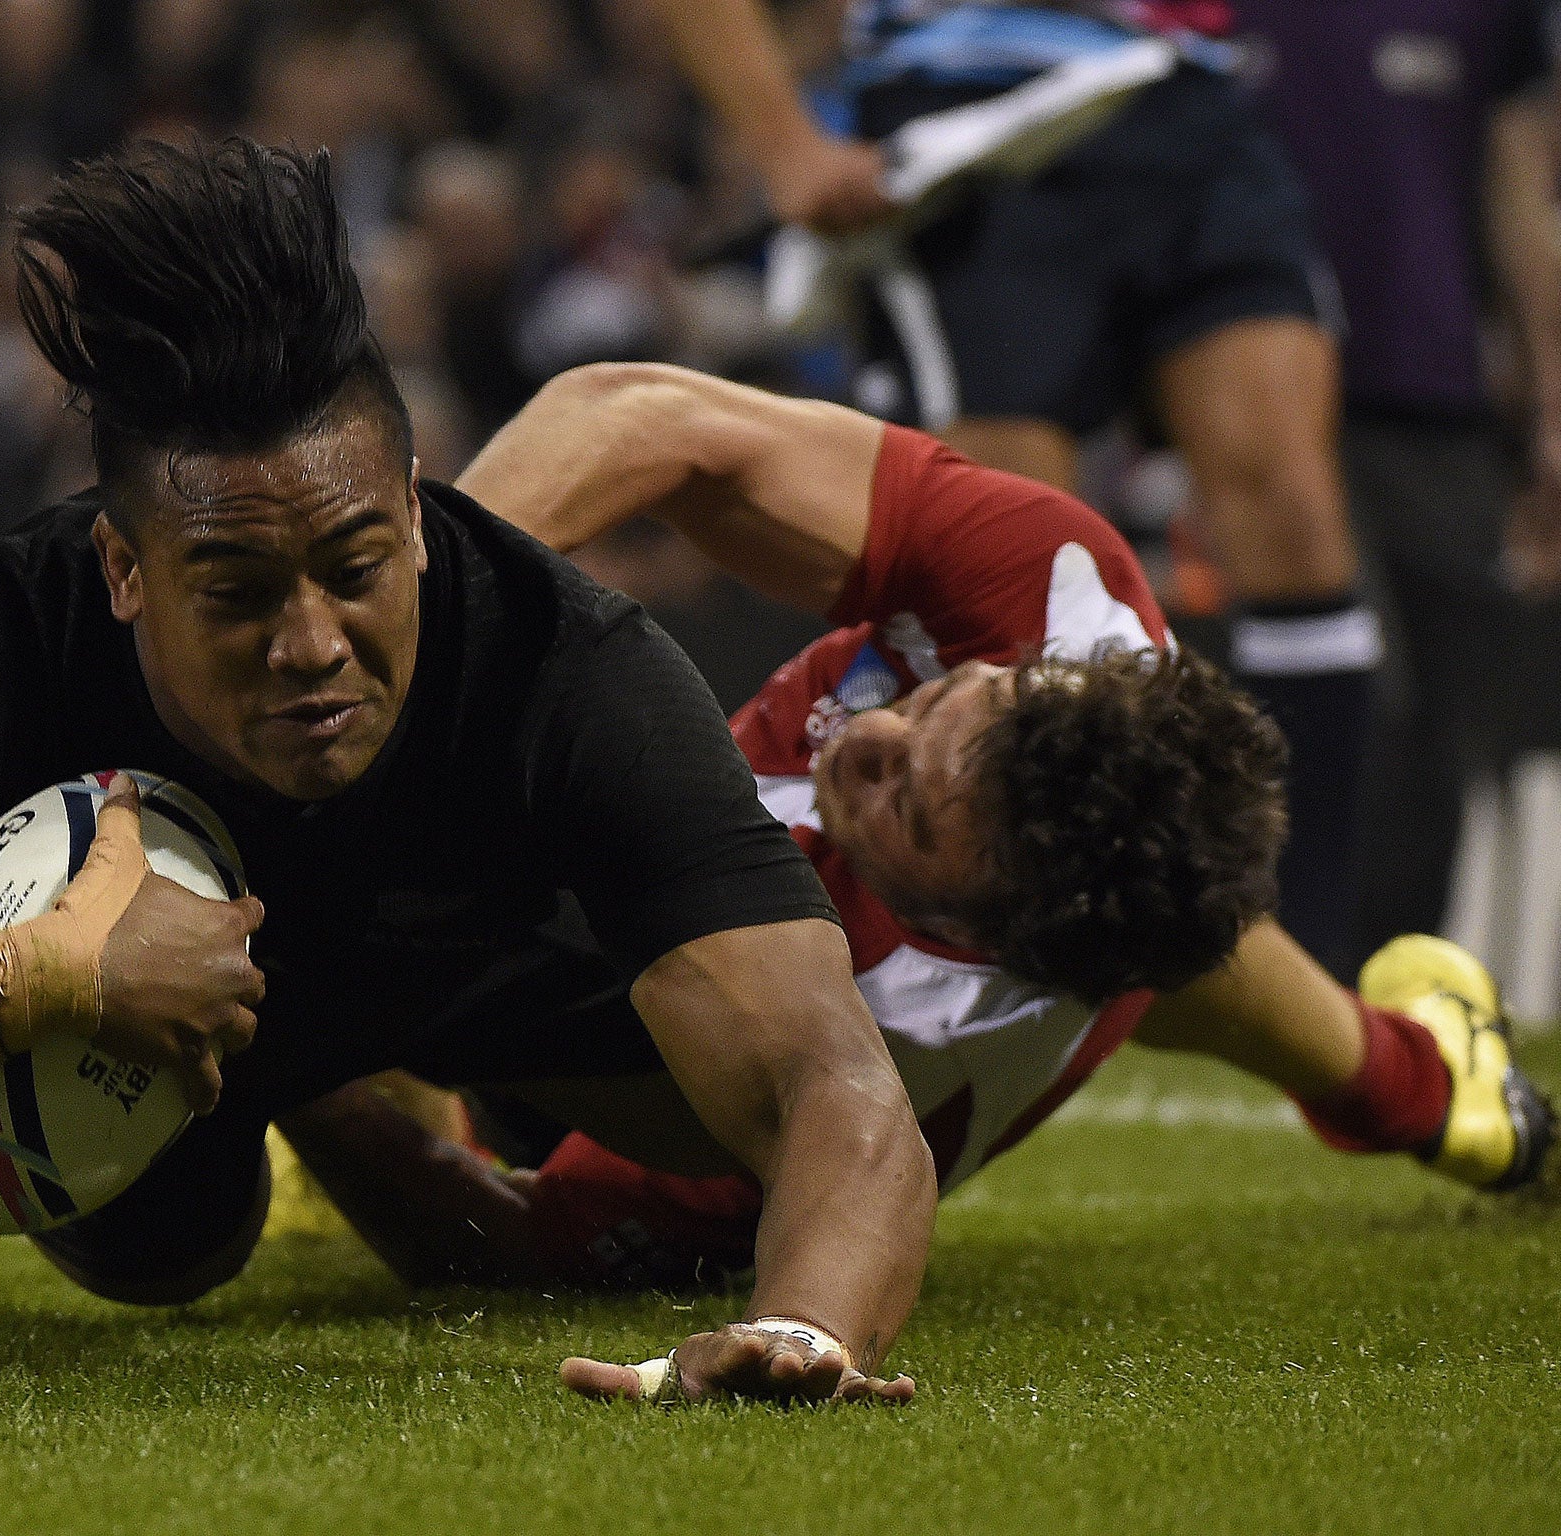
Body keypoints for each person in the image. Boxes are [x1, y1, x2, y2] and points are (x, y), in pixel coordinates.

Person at [0, 138, 936, 1407]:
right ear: (122, 568)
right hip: (131, 1053)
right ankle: (267, 1080)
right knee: (166, 1256)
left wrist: (807, 1331)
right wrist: (44, 974)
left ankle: (345, 1073)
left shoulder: (569, 669)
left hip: (480, 989)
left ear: (412, 508)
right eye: (232, 590)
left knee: (702, 1127)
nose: (310, 646)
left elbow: (839, 1084)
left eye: (356, 569)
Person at [267, 365, 1552, 1382]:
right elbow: (641, 418)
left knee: (442, 981)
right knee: (1196, 937)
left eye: (903, 805)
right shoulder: (1051, 593)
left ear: (964, 929)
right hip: (1079, 902)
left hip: (718, 991)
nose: (868, 734)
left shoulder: (895, 1044)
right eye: (943, 700)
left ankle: (1421, 1087)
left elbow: (493, 1237)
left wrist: (304, 1070)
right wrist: (415, 645)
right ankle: (1430, 1086)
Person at [641, 0, 1382, 979]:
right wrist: (781, 141)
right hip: (970, 114)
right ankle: (922, 945)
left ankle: (1303, 959)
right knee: (993, 567)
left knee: (1293, 528)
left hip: (1184, 91)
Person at [1231, 0, 1561, 961]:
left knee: (1445, 728)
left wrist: (1548, 405)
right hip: (1263, 395)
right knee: (1360, 693)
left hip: (1438, 397)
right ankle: (1300, 965)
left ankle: (1391, 984)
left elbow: (1517, 188)